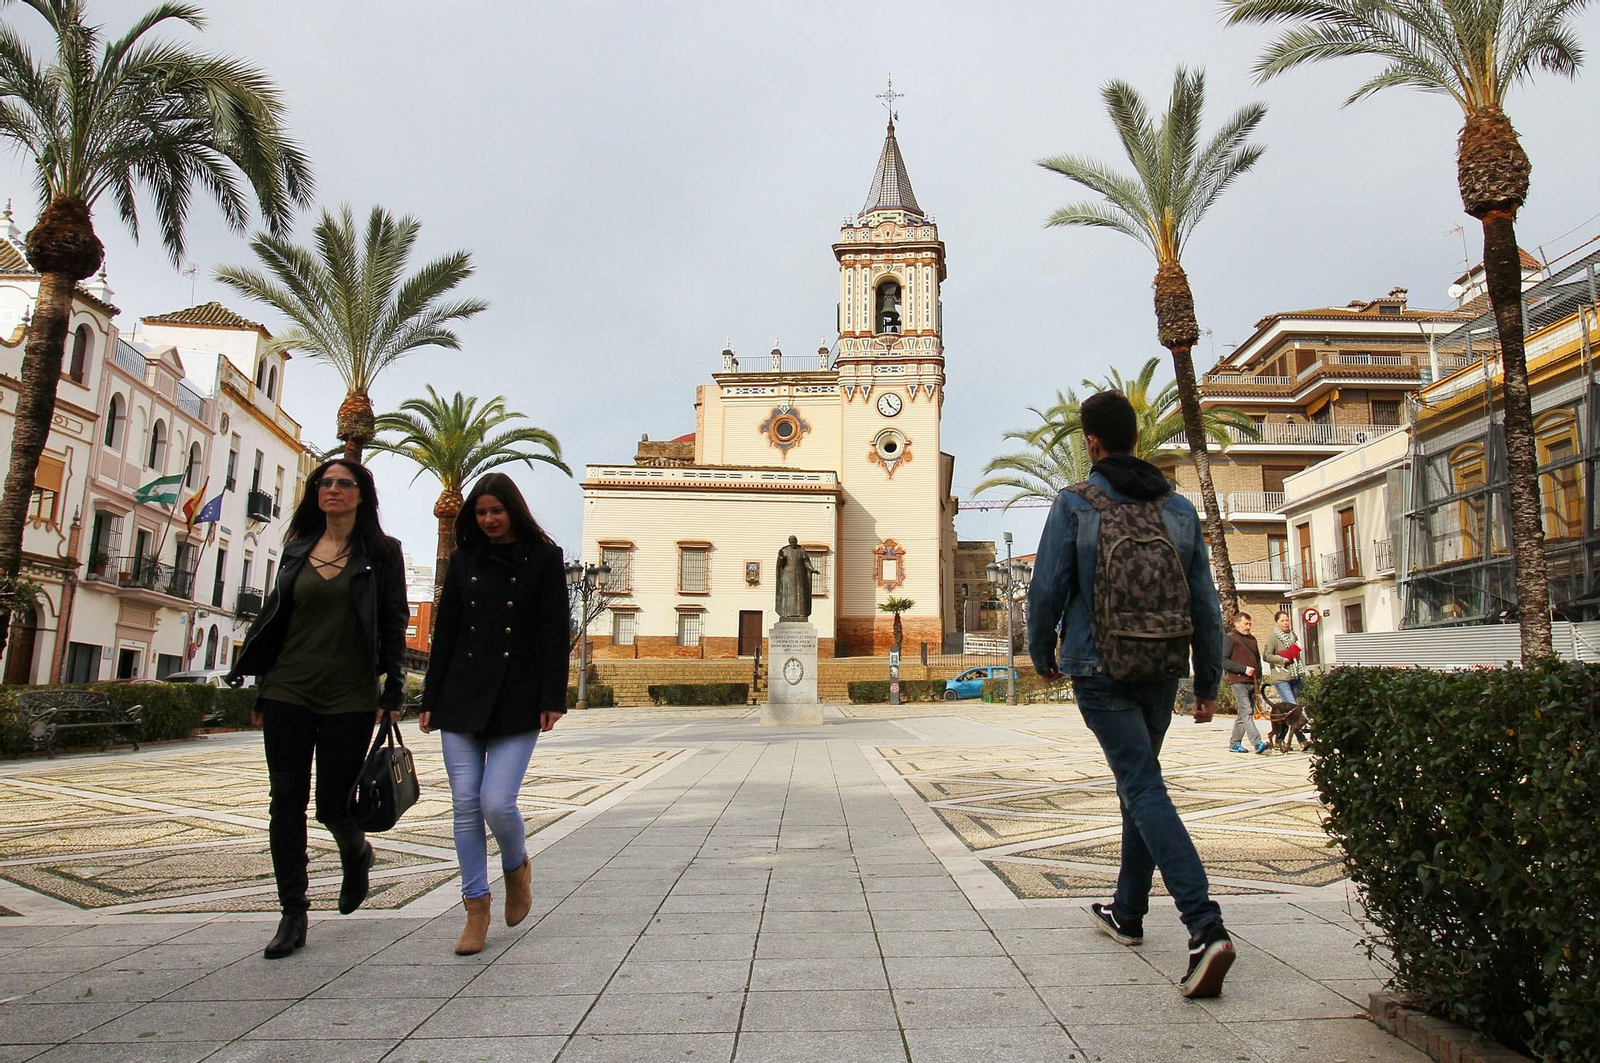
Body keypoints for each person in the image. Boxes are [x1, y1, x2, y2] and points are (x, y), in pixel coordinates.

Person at [1028, 390, 1236, 999]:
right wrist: (1207, 681)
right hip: (1161, 666)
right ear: (1137, 440)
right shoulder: (1177, 510)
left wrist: (1043, 657)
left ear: (1091, 442)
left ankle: (1205, 928)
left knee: (1142, 785)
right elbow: (1206, 604)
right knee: (1139, 781)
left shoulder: (1074, 504)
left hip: (1100, 666)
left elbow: (1045, 591)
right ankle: (1128, 912)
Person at [228, 460, 408, 959]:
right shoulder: (296, 549)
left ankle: (357, 852)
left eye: (343, 484)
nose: (332, 490)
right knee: (285, 801)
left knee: (334, 804)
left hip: (349, 695)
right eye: (325, 483)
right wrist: (262, 686)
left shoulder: (382, 553)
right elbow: (276, 619)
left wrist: (392, 694)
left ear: (361, 495)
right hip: (289, 688)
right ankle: (293, 911)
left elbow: (394, 624)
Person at [418, 473, 569, 956]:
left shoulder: (544, 559)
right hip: (461, 697)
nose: (488, 520)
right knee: (465, 804)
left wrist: (552, 697)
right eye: (480, 513)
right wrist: (430, 698)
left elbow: (553, 630)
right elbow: (446, 635)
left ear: (513, 511)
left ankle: (517, 864)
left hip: (518, 698)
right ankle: (476, 908)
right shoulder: (463, 561)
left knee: (496, 802)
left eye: (495, 512)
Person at [1223, 613, 1270, 754]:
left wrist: (1259, 677)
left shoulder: (1252, 639)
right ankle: (1257, 742)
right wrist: (1243, 669)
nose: (1249, 627)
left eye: (1250, 624)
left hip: (1252, 681)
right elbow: (1223, 661)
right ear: (1237, 624)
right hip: (1237, 681)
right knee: (1247, 711)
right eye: (1246, 624)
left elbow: (1257, 659)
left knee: (1242, 714)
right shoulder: (1230, 639)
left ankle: (1234, 743)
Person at [1263, 611, 1310, 751]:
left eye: (1287, 620)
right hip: (1281, 678)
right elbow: (1266, 656)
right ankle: (1302, 741)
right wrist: (1282, 659)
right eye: (1282, 620)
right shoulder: (1273, 637)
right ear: (1276, 622)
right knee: (1295, 710)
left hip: (1295, 676)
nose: (1285, 622)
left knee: (1290, 712)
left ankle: (1279, 739)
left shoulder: (1293, 636)